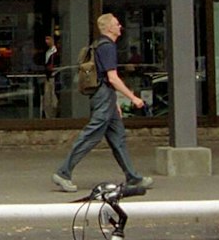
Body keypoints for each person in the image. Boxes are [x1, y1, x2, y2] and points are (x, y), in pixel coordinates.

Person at [52, 13, 151, 192]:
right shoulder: (107, 47)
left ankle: (133, 178)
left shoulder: (101, 45)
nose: (120, 26)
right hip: (104, 96)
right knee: (90, 135)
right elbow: (112, 78)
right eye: (117, 24)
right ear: (108, 28)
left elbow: (105, 78)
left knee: (118, 137)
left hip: (106, 97)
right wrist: (133, 97)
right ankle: (63, 173)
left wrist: (114, 102)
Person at [41, 33, 60, 117]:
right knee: (47, 99)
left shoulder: (56, 52)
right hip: (48, 77)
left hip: (54, 77)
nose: (46, 41)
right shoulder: (47, 52)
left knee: (53, 99)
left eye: (48, 39)